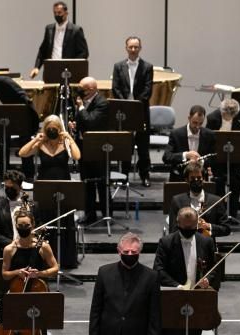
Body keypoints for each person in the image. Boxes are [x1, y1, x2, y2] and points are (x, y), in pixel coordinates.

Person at [154, 207, 216, 335]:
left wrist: (208, 280)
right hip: (174, 299)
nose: (189, 229)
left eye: (192, 226)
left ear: (197, 224)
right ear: (178, 224)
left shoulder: (206, 241)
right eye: (185, 226)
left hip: (197, 300)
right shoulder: (166, 242)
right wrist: (177, 286)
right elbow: (158, 270)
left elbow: (214, 269)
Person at [1, 210, 58, 335]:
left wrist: (39, 274)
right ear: (16, 226)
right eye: (20, 226)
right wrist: (18, 272)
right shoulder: (10, 249)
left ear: (33, 225)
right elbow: (4, 274)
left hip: (38, 297)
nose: (23, 228)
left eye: (26, 225)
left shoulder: (43, 247)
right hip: (18, 297)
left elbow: (55, 268)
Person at [18, 116, 80, 268]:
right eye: (49, 128)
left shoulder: (64, 142)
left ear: (59, 129)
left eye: (55, 128)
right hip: (45, 186)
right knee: (45, 221)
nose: (52, 131)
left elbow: (78, 156)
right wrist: (36, 139)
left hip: (64, 186)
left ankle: (65, 259)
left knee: (64, 221)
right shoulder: (40, 143)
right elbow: (22, 153)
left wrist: (70, 139)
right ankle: (45, 259)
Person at [112, 36, 154, 187]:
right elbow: (115, 88)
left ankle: (145, 175)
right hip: (123, 113)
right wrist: (125, 104)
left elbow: (148, 90)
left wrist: (135, 105)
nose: (133, 49)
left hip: (141, 111)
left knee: (143, 146)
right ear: (126, 48)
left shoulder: (147, 67)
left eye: (136, 47)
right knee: (125, 146)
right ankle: (123, 176)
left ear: (140, 48)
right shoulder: (118, 66)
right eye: (131, 47)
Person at [71, 77, 109, 224]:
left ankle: (106, 214)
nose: (79, 91)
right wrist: (75, 124)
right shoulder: (82, 100)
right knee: (86, 182)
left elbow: (91, 122)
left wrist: (80, 108)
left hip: (98, 149)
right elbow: (82, 121)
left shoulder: (102, 103)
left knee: (101, 183)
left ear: (92, 89)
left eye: (83, 88)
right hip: (83, 146)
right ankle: (89, 213)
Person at [168, 160, 235, 242]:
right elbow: (172, 230)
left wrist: (208, 226)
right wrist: (189, 225)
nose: (196, 180)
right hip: (183, 246)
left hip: (207, 247)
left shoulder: (216, 200)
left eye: (199, 178)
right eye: (192, 178)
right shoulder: (177, 201)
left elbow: (226, 229)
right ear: (186, 180)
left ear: (204, 179)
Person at [205, 98, 240, 214]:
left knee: (235, 181)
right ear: (222, 111)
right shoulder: (212, 118)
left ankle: (233, 212)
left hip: (237, 158)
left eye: (232, 115)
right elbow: (208, 140)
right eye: (226, 115)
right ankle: (220, 212)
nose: (229, 117)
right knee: (218, 182)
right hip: (218, 159)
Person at [29, 1, 89, 79]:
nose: (57, 15)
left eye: (59, 13)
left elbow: (84, 52)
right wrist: (36, 67)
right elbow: (42, 50)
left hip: (69, 71)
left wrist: (72, 65)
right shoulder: (49, 29)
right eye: (55, 13)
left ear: (66, 13)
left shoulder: (76, 30)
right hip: (51, 69)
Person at [0, 170, 41, 256]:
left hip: (30, 250)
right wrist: (13, 244)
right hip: (7, 252)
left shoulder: (33, 206)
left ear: (20, 187)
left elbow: (39, 227)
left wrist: (31, 241)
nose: (9, 190)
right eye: (6, 187)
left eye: (12, 188)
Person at [163, 105, 216, 183]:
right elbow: (166, 157)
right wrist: (186, 155)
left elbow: (214, 157)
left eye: (200, 123)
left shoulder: (209, 135)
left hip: (200, 178)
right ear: (189, 118)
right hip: (180, 177)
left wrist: (201, 162)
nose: (197, 127)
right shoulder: (176, 134)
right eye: (195, 123)